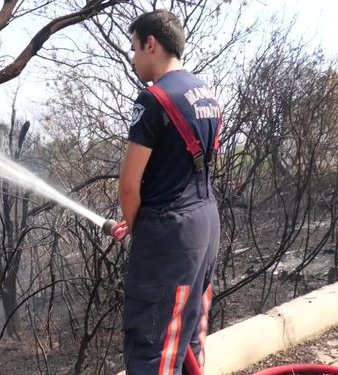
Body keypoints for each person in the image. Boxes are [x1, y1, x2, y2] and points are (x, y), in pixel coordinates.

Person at [111, 9, 221, 375]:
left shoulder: (153, 100)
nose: (133, 57)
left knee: (152, 346)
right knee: (189, 332)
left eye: (135, 48)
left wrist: (138, 227)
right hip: (204, 223)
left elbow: (129, 186)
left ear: (151, 44)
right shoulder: (207, 94)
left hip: (169, 237)